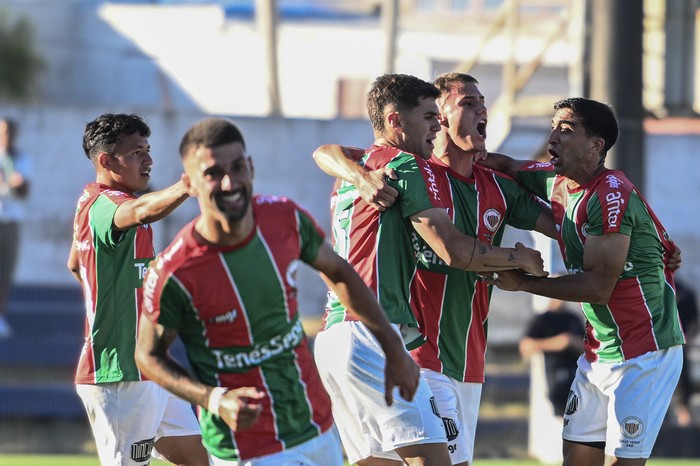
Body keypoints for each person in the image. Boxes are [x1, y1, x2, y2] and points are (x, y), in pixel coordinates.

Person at [134, 117, 419, 466]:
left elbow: (340, 272)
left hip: (314, 427)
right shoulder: (175, 269)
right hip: (244, 447)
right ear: (190, 184)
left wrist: (393, 347)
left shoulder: (284, 218)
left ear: (250, 167)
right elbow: (147, 356)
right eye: (213, 173)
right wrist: (213, 399)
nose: (230, 182)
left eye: (238, 167)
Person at [312, 73, 547, 466]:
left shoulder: (364, 165)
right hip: (389, 340)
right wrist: (518, 258)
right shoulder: (407, 166)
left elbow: (326, 152)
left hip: (341, 336)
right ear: (395, 121)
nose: (436, 124)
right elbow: (454, 250)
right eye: (430, 116)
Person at [480, 97, 685, 466]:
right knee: (575, 458)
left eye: (567, 129)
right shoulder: (556, 180)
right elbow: (507, 165)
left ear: (596, 145)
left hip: (644, 350)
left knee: (623, 461)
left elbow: (597, 288)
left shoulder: (610, 195)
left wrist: (522, 282)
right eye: (554, 126)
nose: (553, 136)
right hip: (598, 351)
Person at [68, 113, 208, 466]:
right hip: (119, 375)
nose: (148, 159)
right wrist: (185, 187)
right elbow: (142, 211)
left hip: (149, 368)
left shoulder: (94, 203)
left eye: (148, 150)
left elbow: (75, 264)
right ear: (106, 161)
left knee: (201, 458)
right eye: (135, 153)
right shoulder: (106, 204)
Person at [519, 298, 584, 417]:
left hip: (576, 373)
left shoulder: (573, 318)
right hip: (555, 371)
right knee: (562, 410)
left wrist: (573, 342)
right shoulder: (543, 319)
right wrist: (556, 343)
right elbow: (526, 346)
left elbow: (587, 346)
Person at [0, 117, 32, 339]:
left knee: (5, 272)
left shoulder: (22, 159)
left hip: (10, 223)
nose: (6, 137)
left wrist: (14, 185)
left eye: (10, 132)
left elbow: (23, 191)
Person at [672, 278, 699, 426]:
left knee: (682, 383)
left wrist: (684, 339)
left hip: (679, 347)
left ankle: (684, 416)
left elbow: (694, 323)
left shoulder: (684, 293)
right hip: (655, 348)